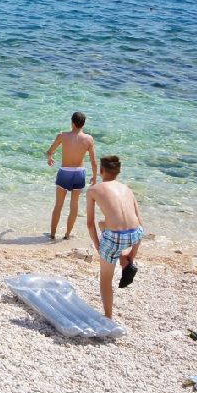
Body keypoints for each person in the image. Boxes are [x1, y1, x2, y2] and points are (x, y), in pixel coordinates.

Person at [86, 155, 144, 318]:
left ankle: (108, 317)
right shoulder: (127, 189)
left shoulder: (93, 190)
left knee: (105, 279)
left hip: (116, 238)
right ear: (118, 172)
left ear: (101, 171)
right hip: (135, 234)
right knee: (102, 224)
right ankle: (124, 260)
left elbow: (89, 223)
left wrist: (98, 246)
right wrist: (133, 252)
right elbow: (140, 221)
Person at [45, 111, 98, 239]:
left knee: (59, 205)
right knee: (74, 205)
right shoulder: (89, 139)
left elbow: (50, 151)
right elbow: (93, 161)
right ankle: (67, 234)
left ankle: (52, 234)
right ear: (83, 124)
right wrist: (95, 176)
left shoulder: (62, 136)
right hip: (79, 173)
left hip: (65, 173)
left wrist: (50, 158)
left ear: (72, 123)